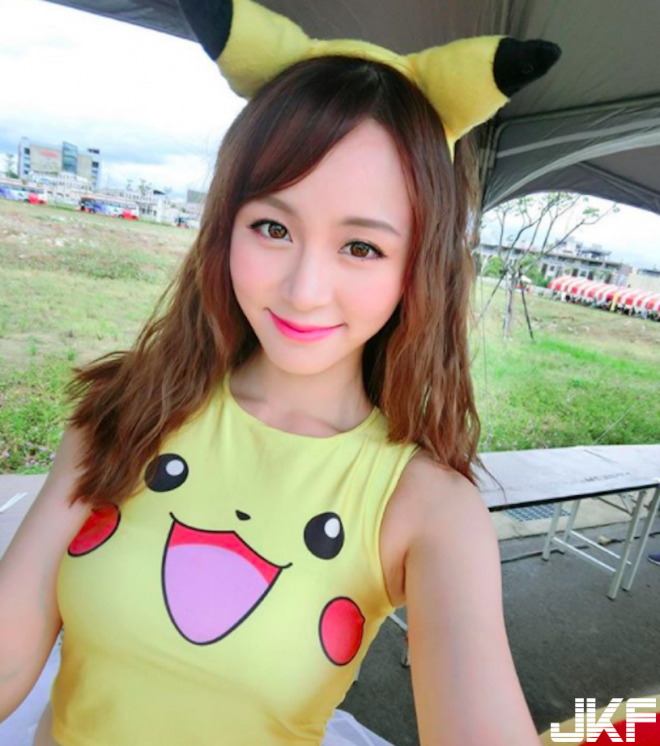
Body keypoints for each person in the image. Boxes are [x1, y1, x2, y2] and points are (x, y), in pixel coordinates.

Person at [0, 6, 562, 745]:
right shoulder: (126, 411)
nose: (304, 290)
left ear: (417, 268)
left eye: (361, 248)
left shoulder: (428, 510)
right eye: (273, 228)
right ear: (226, 227)